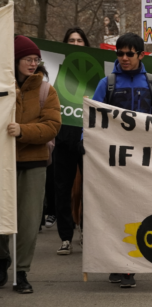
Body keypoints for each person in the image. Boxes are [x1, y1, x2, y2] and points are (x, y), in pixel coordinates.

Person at [92, 33, 152, 288]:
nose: (123, 58)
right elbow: (93, 119)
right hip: (113, 162)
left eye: (129, 54)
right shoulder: (107, 84)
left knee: (139, 209)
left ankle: (132, 263)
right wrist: (85, 142)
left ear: (141, 55)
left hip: (144, 162)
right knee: (114, 211)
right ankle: (117, 264)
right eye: (119, 53)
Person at [0, 36, 61, 293]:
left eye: (36, 60)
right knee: (2, 218)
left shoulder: (47, 90)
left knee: (28, 222)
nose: (33, 64)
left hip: (33, 165)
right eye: (28, 59)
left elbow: (52, 126)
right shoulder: (3, 88)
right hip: (3, 163)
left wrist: (22, 131)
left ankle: (22, 273)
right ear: (14, 61)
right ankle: (2, 264)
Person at [54, 28, 90, 255]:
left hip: (88, 139)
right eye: (71, 41)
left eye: (79, 40)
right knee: (62, 189)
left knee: (90, 189)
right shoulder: (56, 71)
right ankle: (65, 236)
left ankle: (87, 231)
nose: (75, 43)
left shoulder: (94, 71)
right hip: (63, 137)